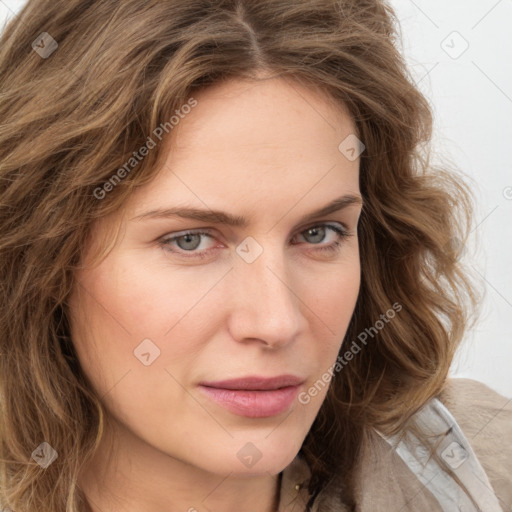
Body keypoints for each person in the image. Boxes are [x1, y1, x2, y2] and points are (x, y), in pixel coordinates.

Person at [0, 1, 510, 511]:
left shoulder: (479, 464)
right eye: (191, 241)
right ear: (41, 259)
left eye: (318, 232)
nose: (277, 322)